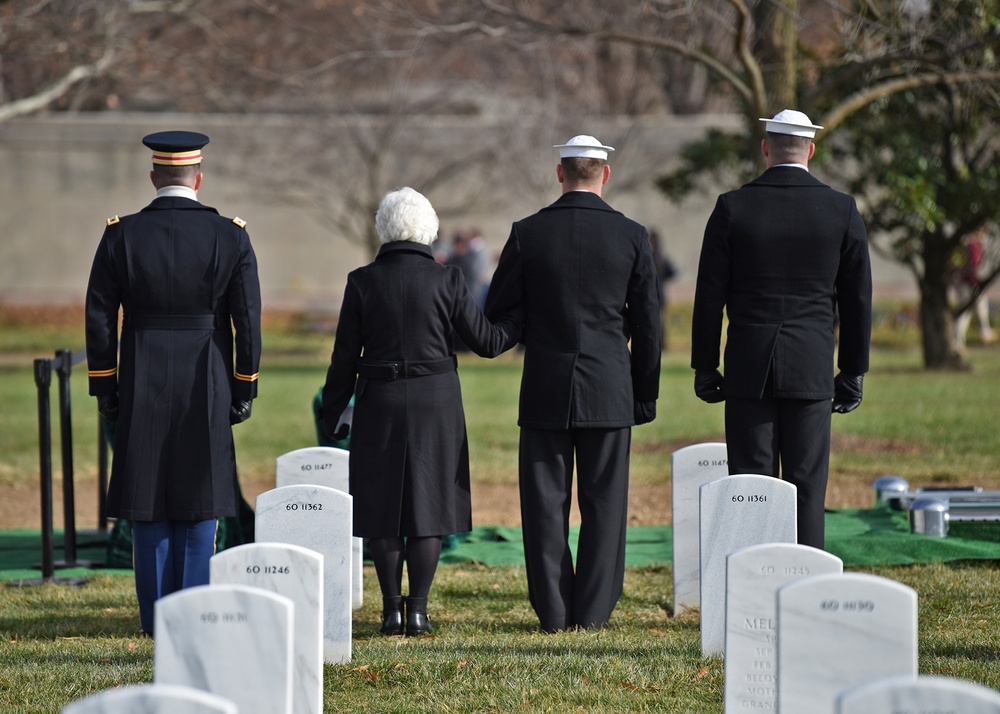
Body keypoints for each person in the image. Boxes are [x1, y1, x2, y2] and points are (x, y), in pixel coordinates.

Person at [321, 187, 522, 637]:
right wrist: (518, 320)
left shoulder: (361, 281)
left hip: (380, 400)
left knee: (383, 506)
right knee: (428, 506)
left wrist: (335, 409)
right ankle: (418, 612)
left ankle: (391, 612)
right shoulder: (448, 280)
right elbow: (488, 343)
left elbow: (343, 357)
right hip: (436, 403)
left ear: (384, 228)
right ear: (428, 229)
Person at [85, 130, 262, 636]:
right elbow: (246, 320)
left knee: (148, 497)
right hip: (206, 376)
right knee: (199, 495)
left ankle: (154, 620)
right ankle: (191, 620)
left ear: (153, 177)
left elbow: (99, 317)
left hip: (141, 371)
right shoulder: (230, 235)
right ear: (198, 178)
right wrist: (243, 386)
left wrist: (106, 387)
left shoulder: (121, 234)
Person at [484, 135, 661, 632]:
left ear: (559, 173)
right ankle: (595, 611)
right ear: (605, 175)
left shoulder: (526, 232)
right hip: (609, 385)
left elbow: (499, 311)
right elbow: (648, 324)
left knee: (544, 505)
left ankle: (555, 613)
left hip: (546, 383)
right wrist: (644, 392)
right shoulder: (631, 236)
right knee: (605, 504)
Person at [690, 109, 872, 550]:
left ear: (766, 147)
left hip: (749, 365)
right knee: (806, 488)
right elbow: (857, 300)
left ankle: (753, 592)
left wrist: (704, 365)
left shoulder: (732, 207)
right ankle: (804, 587)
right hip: (811, 366)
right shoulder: (840, 209)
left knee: (751, 488)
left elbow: (710, 295)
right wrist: (852, 371)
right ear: (811, 149)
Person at [952, 229, 996, 347]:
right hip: (969, 283)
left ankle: (959, 340)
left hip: (963, 283)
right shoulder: (973, 246)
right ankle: (984, 331)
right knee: (975, 307)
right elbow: (973, 266)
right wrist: (975, 281)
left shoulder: (964, 245)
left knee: (966, 311)